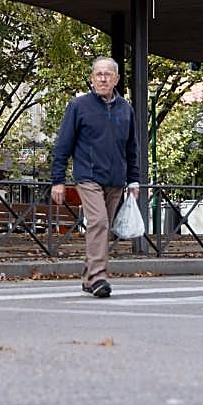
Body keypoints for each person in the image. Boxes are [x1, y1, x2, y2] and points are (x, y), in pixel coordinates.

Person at [51, 55, 140, 298]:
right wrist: (58, 180)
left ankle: (88, 277)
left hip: (115, 180)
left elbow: (132, 148)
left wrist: (134, 180)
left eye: (107, 74)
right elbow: (63, 145)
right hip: (88, 176)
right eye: (98, 74)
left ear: (116, 79)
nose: (102, 78)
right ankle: (99, 277)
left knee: (104, 228)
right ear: (92, 79)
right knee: (99, 222)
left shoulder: (126, 109)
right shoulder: (78, 106)